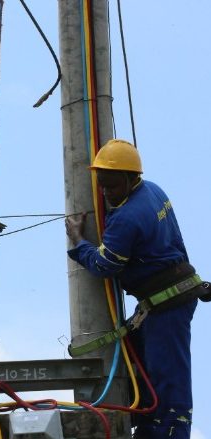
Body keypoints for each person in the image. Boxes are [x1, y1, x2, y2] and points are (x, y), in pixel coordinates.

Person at [65, 139, 207, 438]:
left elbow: (105, 265)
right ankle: (146, 426)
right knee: (138, 364)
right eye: (101, 185)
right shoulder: (153, 189)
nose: (105, 192)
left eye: (112, 186)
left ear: (131, 178)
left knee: (169, 378)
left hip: (167, 304)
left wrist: (80, 243)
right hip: (169, 297)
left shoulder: (128, 217)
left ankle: (170, 432)